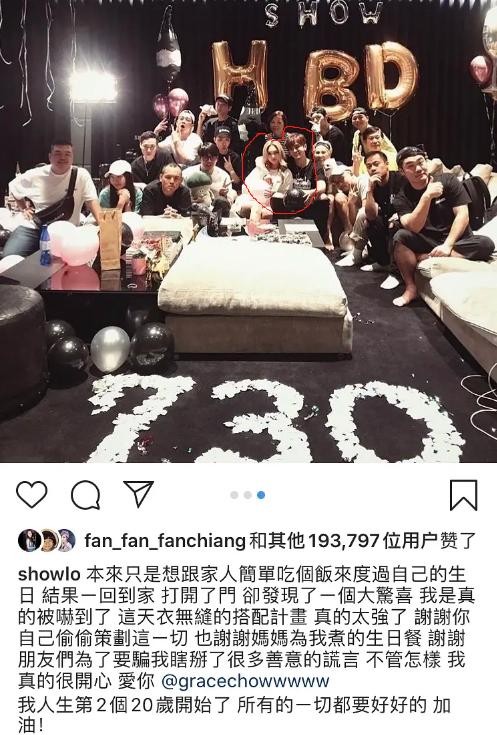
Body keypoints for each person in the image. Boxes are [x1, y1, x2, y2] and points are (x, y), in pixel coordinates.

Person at [391, 146, 494, 307]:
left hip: (458, 239)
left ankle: (425, 256)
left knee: (486, 244)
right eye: (410, 166)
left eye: (421, 162)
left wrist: (448, 245)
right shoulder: (401, 197)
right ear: (402, 172)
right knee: (400, 237)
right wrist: (426, 197)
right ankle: (411, 287)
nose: (418, 168)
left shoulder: (448, 180)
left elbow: (462, 214)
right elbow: (413, 227)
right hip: (427, 240)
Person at [2, 141, 101, 258]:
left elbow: (92, 202)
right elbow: (14, 187)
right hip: (35, 228)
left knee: (63, 263)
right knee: (9, 257)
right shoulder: (36, 174)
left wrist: (104, 226)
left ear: (72, 156)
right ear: (50, 156)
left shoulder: (81, 175)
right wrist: (24, 208)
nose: (63, 157)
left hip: (66, 231)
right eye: (58, 153)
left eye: (67, 154)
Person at [337, 151, 404, 288]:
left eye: (376, 164)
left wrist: (399, 215)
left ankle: (395, 273)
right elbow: (371, 214)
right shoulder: (373, 184)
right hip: (385, 218)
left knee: (394, 224)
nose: (372, 168)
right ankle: (382, 263)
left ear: (387, 164)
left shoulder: (400, 179)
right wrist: (369, 190)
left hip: (402, 219)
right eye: (369, 166)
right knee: (370, 221)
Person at [286, 133, 329, 241]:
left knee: (323, 197)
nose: (295, 150)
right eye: (291, 149)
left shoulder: (315, 165)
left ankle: (320, 237)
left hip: (310, 202)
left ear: (305, 147)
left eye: (297, 147)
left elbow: (322, 186)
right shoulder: (288, 165)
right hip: (293, 204)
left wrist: (311, 192)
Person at [235, 139, 293, 217]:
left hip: (273, 205)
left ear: (280, 153)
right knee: (256, 208)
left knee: (266, 213)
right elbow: (245, 187)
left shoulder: (286, 173)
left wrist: (274, 194)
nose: (273, 156)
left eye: (276, 152)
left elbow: (287, 195)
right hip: (253, 201)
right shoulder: (260, 169)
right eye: (269, 153)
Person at [314, 140, 355, 249]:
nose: (320, 155)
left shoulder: (338, 165)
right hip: (325, 197)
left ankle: (349, 230)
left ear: (330, 153)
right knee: (330, 199)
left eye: (323, 152)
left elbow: (349, 176)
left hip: (341, 194)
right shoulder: (314, 167)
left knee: (338, 197)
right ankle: (327, 233)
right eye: (317, 152)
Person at [213, 127, 243, 194]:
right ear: (214, 140)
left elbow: (238, 183)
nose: (224, 143)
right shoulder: (210, 155)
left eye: (227, 140)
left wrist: (231, 170)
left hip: (230, 191)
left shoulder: (235, 157)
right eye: (220, 140)